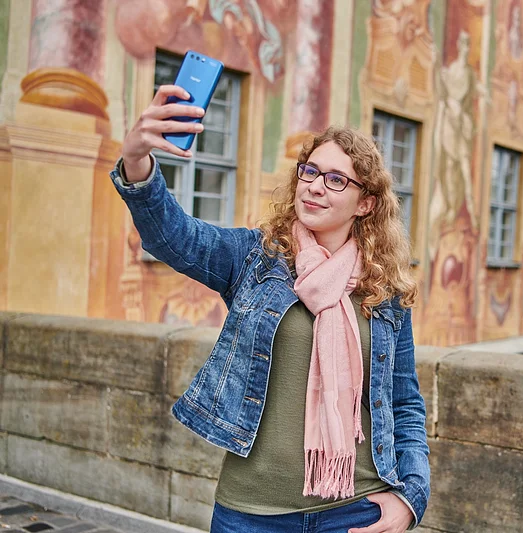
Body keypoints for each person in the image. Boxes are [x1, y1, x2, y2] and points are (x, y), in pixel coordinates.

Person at [111, 84, 430, 533]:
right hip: (252, 512)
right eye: (310, 172)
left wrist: (410, 498)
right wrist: (137, 161)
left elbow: (405, 401)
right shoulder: (256, 260)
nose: (316, 187)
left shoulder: (386, 290)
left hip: (358, 509)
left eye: (336, 179)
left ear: (366, 203)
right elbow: (173, 237)